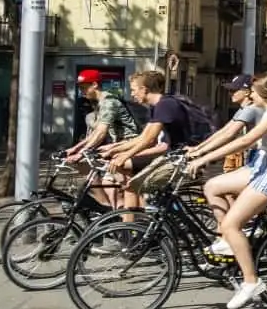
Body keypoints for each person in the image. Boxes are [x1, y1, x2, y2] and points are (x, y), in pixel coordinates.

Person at [188, 72, 267, 309]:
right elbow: (232, 135)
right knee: (212, 186)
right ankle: (228, 241)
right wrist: (200, 151)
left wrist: (204, 158)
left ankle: (251, 282)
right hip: (265, 163)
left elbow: (243, 140)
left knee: (232, 224)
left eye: (253, 91)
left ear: (264, 93)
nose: (249, 95)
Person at [101, 70, 191, 216]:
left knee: (132, 186)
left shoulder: (165, 105)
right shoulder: (156, 106)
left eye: (134, 90)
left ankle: (132, 232)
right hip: (171, 155)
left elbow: (149, 140)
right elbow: (143, 137)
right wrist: (115, 149)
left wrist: (124, 155)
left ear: (144, 89)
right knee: (132, 183)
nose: (132, 94)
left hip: (180, 157)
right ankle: (137, 225)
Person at [186, 74, 263, 224]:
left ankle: (230, 230)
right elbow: (222, 132)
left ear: (247, 92)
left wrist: (201, 154)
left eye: (234, 90)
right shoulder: (243, 109)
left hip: (260, 159)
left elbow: (229, 134)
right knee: (227, 192)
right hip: (255, 158)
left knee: (216, 188)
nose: (230, 94)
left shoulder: (252, 109)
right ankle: (237, 227)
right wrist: (198, 148)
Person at [66, 69, 140, 207]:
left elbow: (101, 133)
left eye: (84, 87)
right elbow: (95, 133)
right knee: (105, 184)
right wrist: (74, 149)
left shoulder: (109, 102)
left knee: (117, 188)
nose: (82, 91)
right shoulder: (100, 104)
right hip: (115, 146)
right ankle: (109, 213)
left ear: (94, 84)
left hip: (127, 145)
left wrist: (81, 152)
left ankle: (130, 220)